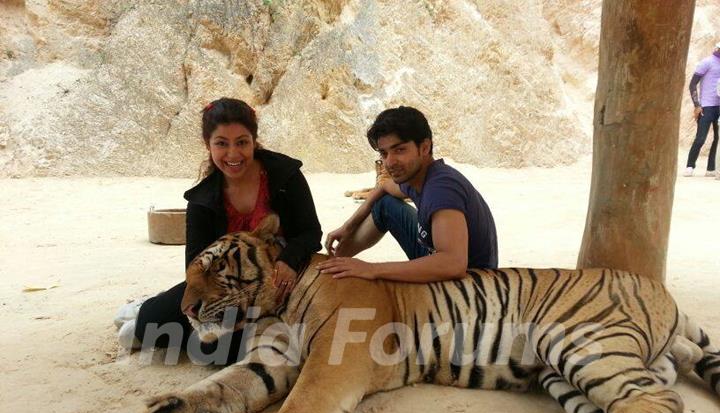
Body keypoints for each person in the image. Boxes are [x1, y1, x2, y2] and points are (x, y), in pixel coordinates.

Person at [117, 97, 322, 360]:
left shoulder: (285, 175)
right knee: (150, 323)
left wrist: (289, 260)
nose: (233, 154)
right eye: (222, 143)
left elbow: (311, 233)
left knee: (216, 352)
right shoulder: (202, 200)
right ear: (208, 145)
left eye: (242, 142)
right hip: (226, 289)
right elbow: (195, 266)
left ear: (254, 141)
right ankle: (146, 306)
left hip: (281, 281)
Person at [320, 106, 497, 282]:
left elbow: (453, 264)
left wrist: (371, 269)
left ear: (425, 147)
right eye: (384, 153)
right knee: (385, 205)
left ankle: (338, 266)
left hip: (467, 285)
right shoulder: (417, 176)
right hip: (433, 251)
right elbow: (383, 188)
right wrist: (347, 227)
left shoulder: (441, 189)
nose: (389, 162)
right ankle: (334, 262)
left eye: (399, 150)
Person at [684, 42, 720, 179]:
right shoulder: (707, 62)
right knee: (700, 138)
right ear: (717, 49)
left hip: (719, 106)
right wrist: (697, 104)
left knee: (718, 139)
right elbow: (692, 84)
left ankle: (711, 168)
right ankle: (690, 166)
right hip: (706, 106)